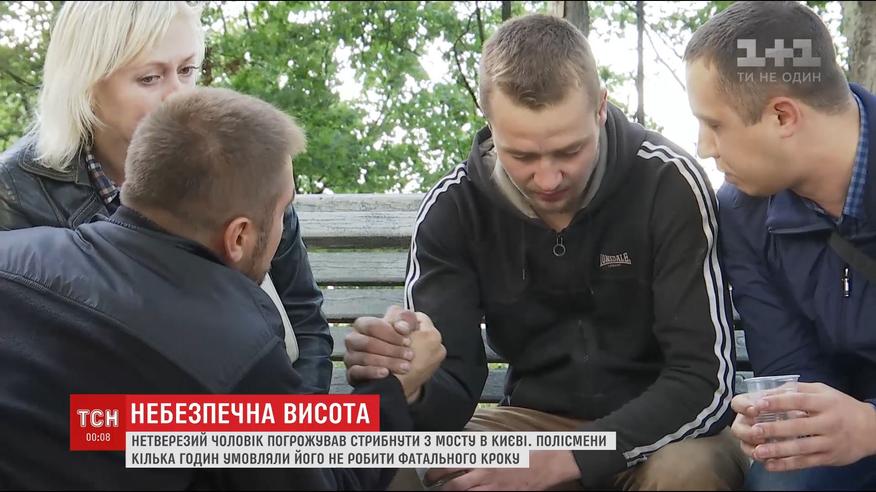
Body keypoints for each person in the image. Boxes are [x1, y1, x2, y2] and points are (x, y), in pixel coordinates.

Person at [344, 13, 747, 490]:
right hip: (529, 423)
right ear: (489, 121)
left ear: (600, 108)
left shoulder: (667, 181)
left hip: (662, 431)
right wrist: (410, 384)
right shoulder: (454, 210)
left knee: (687, 473)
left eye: (569, 151)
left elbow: (703, 381)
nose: (549, 178)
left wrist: (570, 457)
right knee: (403, 464)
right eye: (523, 156)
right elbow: (450, 389)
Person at [0, 86, 447, 490]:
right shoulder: (233, 353)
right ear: (239, 237)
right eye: (283, 212)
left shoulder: (12, 256)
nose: (283, 230)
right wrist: (396, 388)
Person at [0, 1, 333, 393]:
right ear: (86, 84)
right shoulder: (15, 192)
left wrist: (296, 420)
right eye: (150, 78)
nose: (178, 97)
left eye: (187, 70)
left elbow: (305, 322)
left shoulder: (242, 157)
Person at [683, 1, 876, 490]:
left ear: (783, 115)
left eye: (715, 124)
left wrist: (871, 426)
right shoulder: (742, 210)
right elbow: (792, 371)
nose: (704, 147)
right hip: (843, 437)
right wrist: (783, 420)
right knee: (783, 478)